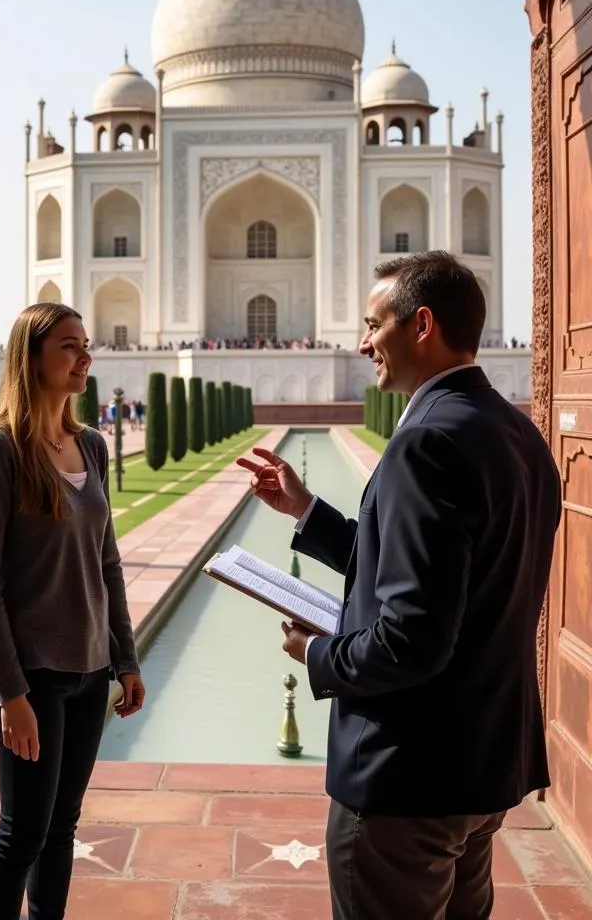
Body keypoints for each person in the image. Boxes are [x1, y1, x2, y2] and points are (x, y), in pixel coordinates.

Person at [238, 251, 561, 920]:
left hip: (407, 779)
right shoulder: (515, 432)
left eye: (372, 324)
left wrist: (315, 655)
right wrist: (307, 513)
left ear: (421, 325)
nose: (361, 343)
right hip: (482, 764)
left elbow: (411, 640)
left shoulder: (426, 443)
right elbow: (436, 572)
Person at [0, 301, 146, 920]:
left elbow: (107, 562)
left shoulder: (89, 444)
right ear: (32, 358)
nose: (85, 355)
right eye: (70, 346)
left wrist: (127, 659)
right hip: (31, 675)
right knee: (22, 833)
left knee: (61, 828)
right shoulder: (1, 450)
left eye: (85, 344)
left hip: (89, 669)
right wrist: (9, 694)